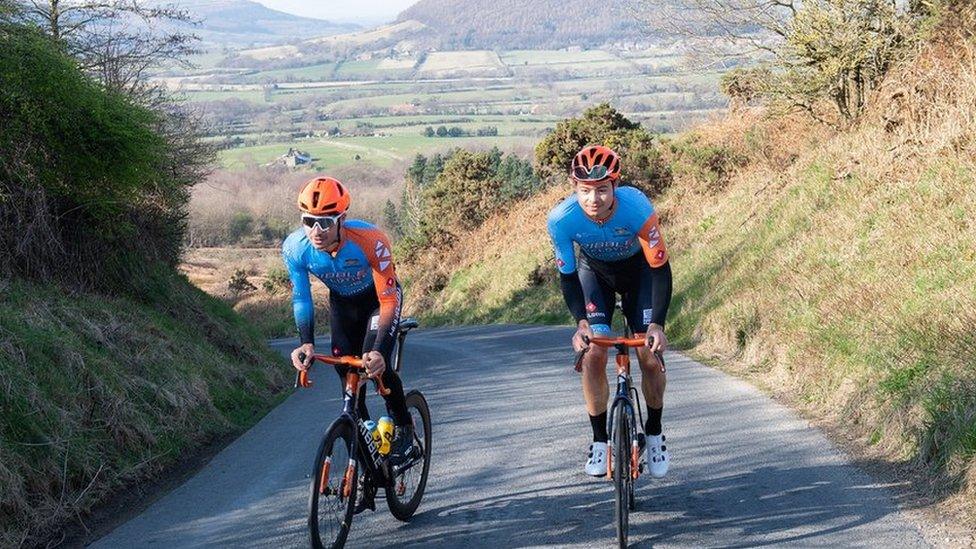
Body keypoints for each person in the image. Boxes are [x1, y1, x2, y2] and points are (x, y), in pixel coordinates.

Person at [546, 145, 673, 479]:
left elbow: (660, 269)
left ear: (615, 186)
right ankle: (600, 440)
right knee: (593, 354)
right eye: (585, 191)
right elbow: (568, 276)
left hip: (639, 274)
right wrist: (581, 323)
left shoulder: (637, 208)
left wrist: (657, 323)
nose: (594, 199)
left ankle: (655, 432)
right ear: (575, 189)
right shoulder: (561, 219)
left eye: (602, 190)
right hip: (594, 275)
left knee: (648, 354)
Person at [283, 176, 415, 471]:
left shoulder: (370, 241)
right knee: (345, 369)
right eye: (308, 221)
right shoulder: (295, 248)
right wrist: (306, 342)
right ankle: (365, 441)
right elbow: (302, 299)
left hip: (378, 302)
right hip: (342, 305)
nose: (316, 231)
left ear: (342, 219)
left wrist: (380, 349)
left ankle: (404, 427)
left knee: (374, 363)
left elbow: (389, 300)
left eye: (326, 222)